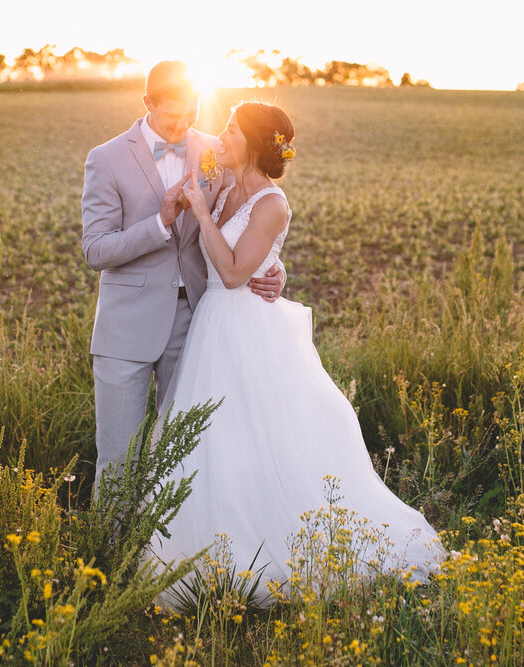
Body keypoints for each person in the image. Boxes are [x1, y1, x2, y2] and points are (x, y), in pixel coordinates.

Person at [150, 102, 446, 598]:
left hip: (248, 330)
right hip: (213, 327)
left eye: (230, 128)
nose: (220, 135)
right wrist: (208, 210)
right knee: (214, 440)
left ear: (253, 141)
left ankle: (267, 548)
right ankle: (207, 544)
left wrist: (200, 215)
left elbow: (233, 273)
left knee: (261, 438)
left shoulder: (272, 203)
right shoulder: (223, 187)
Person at [81, 62, 285, 489]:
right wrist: (159, 224)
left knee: (182, 457)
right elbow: (95, 250)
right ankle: (110, 553)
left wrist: (272, 267)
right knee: (118, 459)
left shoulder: (219, 150)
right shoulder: (106, 158)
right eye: (171, 117)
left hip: (197, 324)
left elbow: (252, 210)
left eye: (190, 115)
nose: (181, 127)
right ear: (147, 103)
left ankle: (164, 555)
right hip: (127, 327)